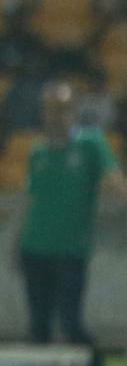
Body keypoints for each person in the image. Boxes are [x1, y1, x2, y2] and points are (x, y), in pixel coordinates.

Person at [18, 81, 127, 345]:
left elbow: (113, 179)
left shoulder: (90, 144)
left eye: (63, 109)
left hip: (71, 249)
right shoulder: (39, 152)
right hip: (35, 248)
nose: (56, 115)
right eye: (51, 109)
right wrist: (18, 241)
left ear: (74, 111)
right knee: (38, 325)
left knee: (70, 321)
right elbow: (30, 200)